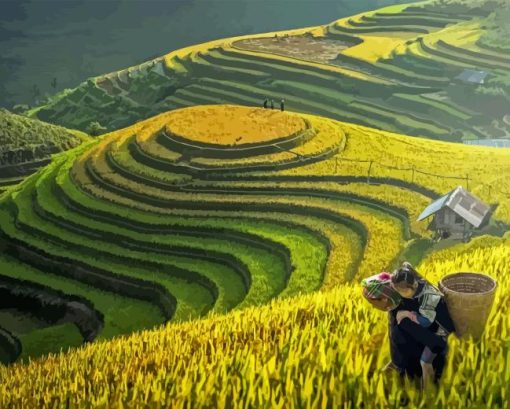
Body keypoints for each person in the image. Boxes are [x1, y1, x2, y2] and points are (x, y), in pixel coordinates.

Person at [390, 262, 455, 390]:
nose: (400, 294)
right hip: (426, 328)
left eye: (401, 291)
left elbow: (427, 322)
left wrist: (408, 315)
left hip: (439, 334)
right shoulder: (414, 284)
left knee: (425, 362)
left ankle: (428, 393)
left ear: (411, 288)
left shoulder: (430, 298)